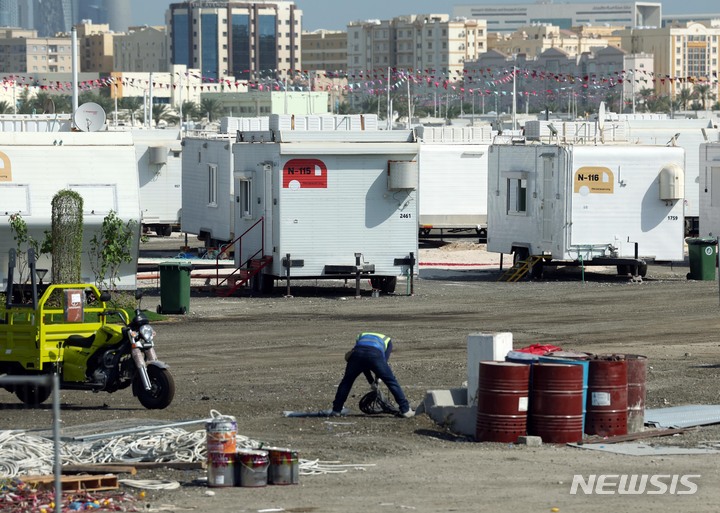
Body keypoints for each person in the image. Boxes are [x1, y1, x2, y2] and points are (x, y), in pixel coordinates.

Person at [331, 332, 414, 418]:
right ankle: (405, 410)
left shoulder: (361, 336)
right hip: (375, 355)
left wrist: (373, 381)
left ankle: (336, 410)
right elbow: (383, 360)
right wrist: (375, 379)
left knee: (346, 382)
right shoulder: (387, 340)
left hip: (356, 355)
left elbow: (363, 364)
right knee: (391, 381)